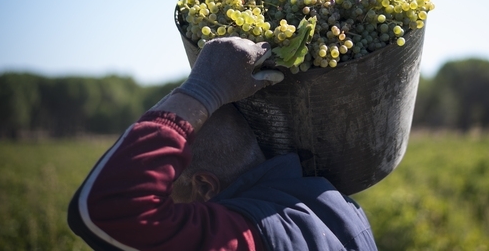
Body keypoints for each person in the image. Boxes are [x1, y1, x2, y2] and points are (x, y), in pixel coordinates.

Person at [67, 37, 378, 250]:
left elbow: (104, 209)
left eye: (168, 192)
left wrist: (202, 91)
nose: (167, 203)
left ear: (204, 186)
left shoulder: (250, 236)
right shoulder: (344, 209)